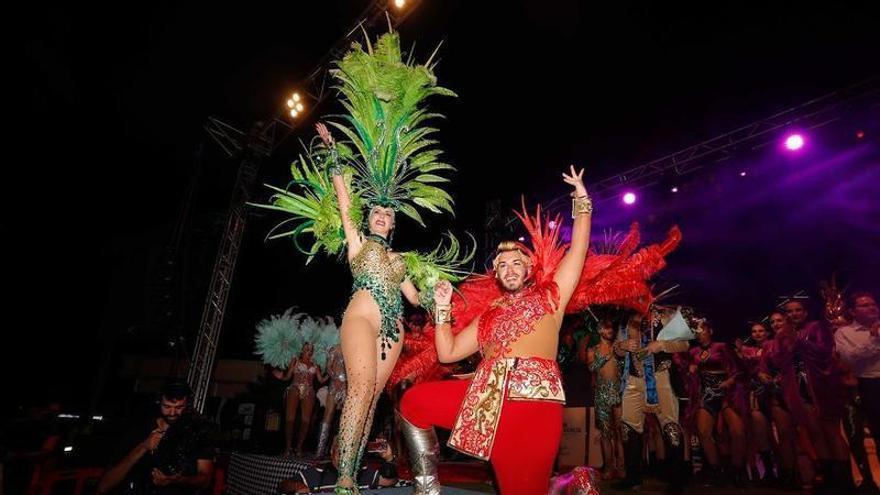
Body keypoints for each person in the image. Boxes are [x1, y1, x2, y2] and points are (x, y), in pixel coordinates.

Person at [398, 166, 592, 495]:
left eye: (517, 262)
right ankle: (427, 488)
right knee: (414, 401)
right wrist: (443, 309)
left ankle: (567, 482)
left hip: (535, 407)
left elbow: (578, 251)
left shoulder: (551, 297)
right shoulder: (488, 315)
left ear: (529, 269)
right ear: (496, 275)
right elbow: (448, 354)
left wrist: (581, 199)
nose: (509, 268)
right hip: (487, 401)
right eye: (502, 265)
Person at [97, 382, 214, 495]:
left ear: (187, 405)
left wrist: (178, 480)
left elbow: (204, 479)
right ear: (159, 403)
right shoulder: (140, 428)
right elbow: (104, 485)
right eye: (167, 406)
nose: (172, 412)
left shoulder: (197, 432)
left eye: (179, 407)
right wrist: (144, 446)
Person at [686, 320, 748, 487]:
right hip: (707, 395)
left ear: (710, 330)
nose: (698, 332)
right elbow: (687, 375)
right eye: (695, 330)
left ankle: (737, 471)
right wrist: (691, 370)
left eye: (701, 329)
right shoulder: (693, 352)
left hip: (726, 394)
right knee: (704, 432)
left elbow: (738, 369)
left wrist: (729, 381)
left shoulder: (721, 347)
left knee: (738, 431)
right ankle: (716, 470)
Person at [834, 292, 880, 493]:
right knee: (871, 435)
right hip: (867, 384)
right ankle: (868, 482)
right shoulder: (844, 333)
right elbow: (851, 358)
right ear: (852, 311)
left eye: (872, 303)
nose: (871, 307)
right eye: (864, 305)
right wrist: (873, 337)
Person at [279, 436, 398, 494]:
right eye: (341, 451)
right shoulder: (319, 472)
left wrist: (389, 458)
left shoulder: (362, 471)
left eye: (349, 452)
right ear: (332, 452)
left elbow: (390, 481)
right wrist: (298, 487)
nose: (345, 456)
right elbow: (283, 485)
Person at [586, 312, 625, 480]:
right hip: (601, 395)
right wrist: (607, 356)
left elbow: (625, 367)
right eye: (606, 327)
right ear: (600, 330)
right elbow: (592, 368)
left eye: (611, 327)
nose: (610, 330)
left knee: (621, 432)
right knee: (606, 433)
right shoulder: (592, 350)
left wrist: (618, 353)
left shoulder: (619, 347)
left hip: (618, 394)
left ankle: (622, 467)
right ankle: (609, 468)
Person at [276, 343, 326, 456]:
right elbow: (288, 377)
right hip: (295, 388)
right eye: (307, 348)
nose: (309, 350)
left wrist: (334, 374)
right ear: (302, 349)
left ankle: (299, 448)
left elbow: (321, 380)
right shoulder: (295, 361)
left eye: (311, 349)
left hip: (309, 391)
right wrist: (281, 377)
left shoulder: (315, 364)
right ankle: (288, 448)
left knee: (306, 421)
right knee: (290, 419)